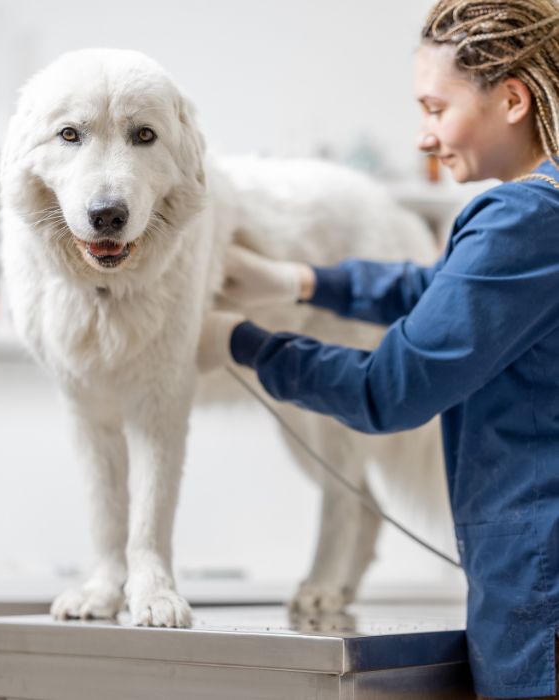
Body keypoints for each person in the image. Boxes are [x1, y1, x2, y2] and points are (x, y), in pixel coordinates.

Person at [197, 1, 559, 698]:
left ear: (512, 98)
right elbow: (447, 291)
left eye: (434, 108)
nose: (424, 137)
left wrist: (241, 342)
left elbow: (385, 392)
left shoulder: (521, 217)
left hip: (539, 589)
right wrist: (303, 281)